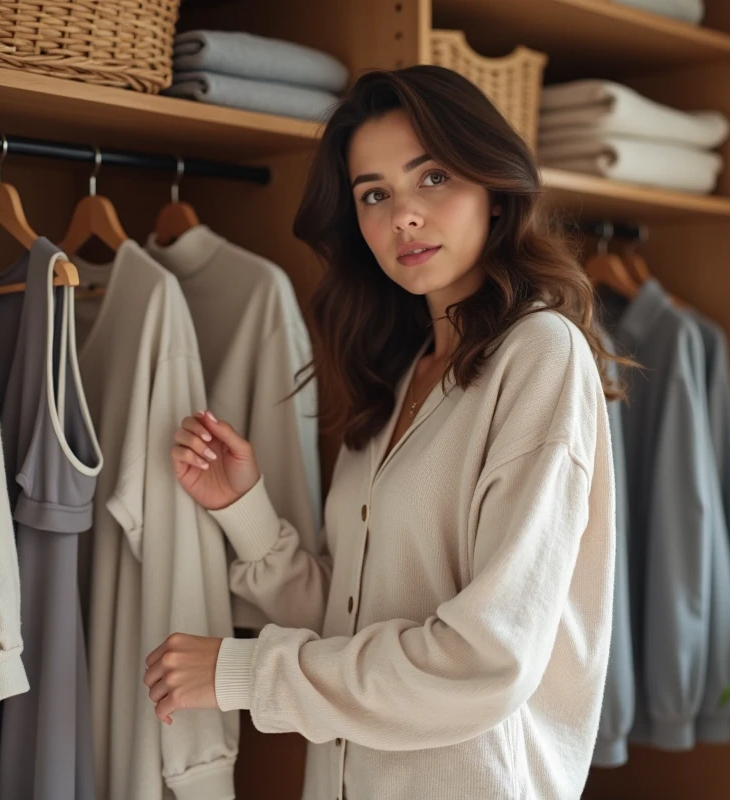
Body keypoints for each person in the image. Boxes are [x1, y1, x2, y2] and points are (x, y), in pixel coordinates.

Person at [143, 65, 621, 799]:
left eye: (431, 179)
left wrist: (243, 673)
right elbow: (352, 614)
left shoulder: (540, 354)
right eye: (375, 194)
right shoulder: (401, 375)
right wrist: (243, 509)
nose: (402, 215)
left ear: (492, 190)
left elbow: (484, 660)